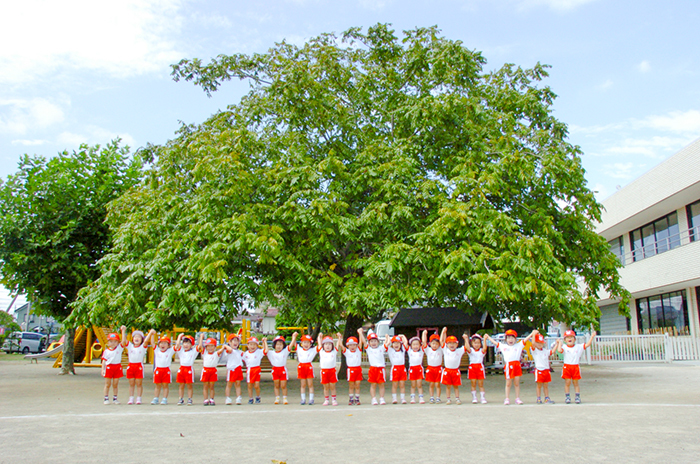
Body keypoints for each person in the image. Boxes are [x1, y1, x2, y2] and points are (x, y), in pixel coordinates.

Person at [485, 329, 536, 405]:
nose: (510, 340)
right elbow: (495, 343)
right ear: (506, 339)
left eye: (512, 338)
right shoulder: (503, 346)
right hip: (509, 365)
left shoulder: (518, 345)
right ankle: (507, 398)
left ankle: (517, 398)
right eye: (508, 338)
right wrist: (488, 337)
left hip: (517, 365)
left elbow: (525, 339)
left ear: (515, 339)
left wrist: (532, 334)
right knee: (508, 383)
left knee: (517, 383)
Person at [558, 329, 596, 404]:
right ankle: (567, 396)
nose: (570, 339)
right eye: (567, 337)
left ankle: (577, 396)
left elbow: (587, 345)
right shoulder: (565, 347)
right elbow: (559, 350)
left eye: (571, 337)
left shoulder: (579, 347)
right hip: (567, 366)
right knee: (567, 382)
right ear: (565, 340)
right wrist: (559, 343)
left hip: (575, 366)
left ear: (575, 339)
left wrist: (592, 337)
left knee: (576, 382)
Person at [120, 326, 156, 405]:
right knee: (131, 383)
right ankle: (131, 397)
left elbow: (146, 341)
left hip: (139, 366)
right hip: (131, 366)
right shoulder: (130, 346)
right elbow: (124, 341)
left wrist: (150, 333)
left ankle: (139, 397)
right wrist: (123, 331)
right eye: (135, 337)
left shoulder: (143, 347)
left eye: (139, 337)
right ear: (132, 339)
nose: (137, 338)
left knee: (139, 383)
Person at [263, 332, 298, 405]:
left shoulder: (285, 352)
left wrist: (294, 337)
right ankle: (277, 398)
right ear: (274, 345)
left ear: (283, 345)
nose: (279, 346)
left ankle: (285, 398)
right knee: (276, 385)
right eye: (277, 344)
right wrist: (264, 341)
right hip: (275, 370)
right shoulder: (271, 353)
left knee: (283, 385)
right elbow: (265, 350)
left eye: (280, 344)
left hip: (282, 370)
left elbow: (290, 346)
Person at [358, 328, 387, 405]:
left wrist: (387, 337)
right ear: (369, 342)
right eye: (371, 341)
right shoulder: (369, 349)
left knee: (381, 384)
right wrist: (360, 333)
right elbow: (364, 342)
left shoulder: (381, 348)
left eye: (375, 341)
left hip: (381, 368)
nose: (373, 343)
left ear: (378, 342)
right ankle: (373, 398)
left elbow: (387, 343)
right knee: (373, 384)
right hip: (373, 369)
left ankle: (382, 398)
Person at [531, 331, 560, 404]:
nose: (539, 344)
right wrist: (534, 335)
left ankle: (547, 398)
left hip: (546, 370)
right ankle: (538, 398)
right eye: (538, 343)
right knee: (539, 385)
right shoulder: (535, 351)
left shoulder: (545, 351)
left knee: (546, 385)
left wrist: (557, 344)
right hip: (539, 369)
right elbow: (533, 344)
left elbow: (552, 351)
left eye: (541, 343)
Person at [441, 332, 468, 405]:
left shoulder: (459, 351)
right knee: (448, 386)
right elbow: (441, 341)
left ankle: (457, 398)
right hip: (447, 370)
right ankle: (448, 398)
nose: (452, 345)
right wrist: (443, 332)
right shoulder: (446, 350)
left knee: (456, 386)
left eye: (454, 343)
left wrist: (466, 339)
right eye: (450, 343)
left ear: (457, 344)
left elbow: (466, 347)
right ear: (447, 344)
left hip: (455, 370)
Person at [199, 335, 225, 406]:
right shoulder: (204, 353)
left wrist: (224, 346)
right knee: (205, 386)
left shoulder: (216, 354)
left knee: (212, 386)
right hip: (205, 370)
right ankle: (205, 399)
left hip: (213, 370)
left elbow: (221, 350)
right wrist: (201, 337)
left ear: (215, 347)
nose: (210, 348)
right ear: (206, 347)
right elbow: (200, 346)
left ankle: (212, 399)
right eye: (208, 346)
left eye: (212, 346)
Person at [292, 333, 317, 405]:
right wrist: (294, 336)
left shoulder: (312, 350)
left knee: (310, 384)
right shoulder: (299, 349)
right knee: (303, 384)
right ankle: (303, 399)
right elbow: (293, 343)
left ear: (310, 344)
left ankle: (311, 398)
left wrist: (320, 338)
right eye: (304, 342)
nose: (306, 344)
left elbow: (320, 347)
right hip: (301, 367)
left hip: (308, 366)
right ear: (301, 343)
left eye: (308, 342)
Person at [422, 328, 446, 403]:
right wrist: (424, 334)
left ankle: (438, 397)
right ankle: (431, 397)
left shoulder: (441, 350)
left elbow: (443, 341)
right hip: (430, 368)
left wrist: (444, 332)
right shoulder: (428, 350)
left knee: (437, 384)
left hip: (438, 368)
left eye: (436, 343)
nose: (435, 345)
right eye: (433, 343)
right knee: (431, 384)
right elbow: (424, 342)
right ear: (430, 343)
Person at [317, 332, 342, 406]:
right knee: (326, 387)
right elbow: (319, 343)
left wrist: (339, 337)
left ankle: (334, 399)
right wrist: (319, 337)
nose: (327, 346)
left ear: (332, 345)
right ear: (323, 345)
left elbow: (338, 344)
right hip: (324, 371)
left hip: (332, 371)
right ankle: (326, 399)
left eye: (329, 344)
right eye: (326, 344)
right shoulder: (321, 351)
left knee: (332, 386)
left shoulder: (334, 352)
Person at [173, 334, 198, 406]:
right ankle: (181, 398)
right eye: (184, 343)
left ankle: (190, 398)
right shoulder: (181, 351)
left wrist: (201, 337)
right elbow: (177, 345)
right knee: (181, 385)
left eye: (188, 343)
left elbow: (199, 346)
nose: (186, 345)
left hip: (189, 369)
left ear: (191, 344)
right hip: (182, 369)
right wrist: (179, 337)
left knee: (189, 385)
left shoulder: (193, 352)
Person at [339, 334, 363, 405]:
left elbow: (361, 342)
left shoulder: (358, 351)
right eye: (350, 345)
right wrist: (339, 337)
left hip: (358, 369)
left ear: (356, 345)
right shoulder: (347, 352)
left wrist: (360, 333)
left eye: (354, 345)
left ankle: (357, 399)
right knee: (351, 385)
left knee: (358, 384)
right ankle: (351, 398)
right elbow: (341, 345)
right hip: (351, 370)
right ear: (348, 346)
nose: (352, 347)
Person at [151, 335, 175, 405]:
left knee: (165, 385)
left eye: (165, 343)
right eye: (161, 343)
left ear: (168, 345)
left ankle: (164, 398)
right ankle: (156, 398)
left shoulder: (170, 351)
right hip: (158, 369)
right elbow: (152, 343)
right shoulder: (157, 350)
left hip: (166, 370)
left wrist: (179, 337)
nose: (163, 345)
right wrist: (152, 334)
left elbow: (176, 346)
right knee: (157, 385)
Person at [101, 332, 124, 405]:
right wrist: (102, 369)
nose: (113, 343)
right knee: (107, 383)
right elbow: (104, 361)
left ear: (117, 342)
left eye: (115, 341)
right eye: (111, 341)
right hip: (109, 367)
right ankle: (106, 398)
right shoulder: (106, 351)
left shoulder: (119, 349)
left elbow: (123, 341)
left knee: (115, 383)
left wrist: (123, 331)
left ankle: (115, 398)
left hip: (117, 367)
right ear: (108, 342)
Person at [241, 336, 264, 404]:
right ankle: (250, 398)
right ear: (248, 345)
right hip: (250, 370)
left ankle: (258, 396)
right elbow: (241, 359)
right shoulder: (246, 354)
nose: (252, 346)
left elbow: (265, 351)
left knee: (256, 385)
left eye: (254, 344)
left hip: (257, 369)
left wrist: (264, 342)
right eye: (251, 344)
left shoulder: (259, 352)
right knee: (249, 385)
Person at [466, 334, 488, 404]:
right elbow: (467, 348)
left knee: (481, 384)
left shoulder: (481, 351)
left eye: (478, 343)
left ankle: (482, 397)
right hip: (472, 367)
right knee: (473, 383)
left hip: (480, 367)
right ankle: (474, 397)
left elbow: (485, 349)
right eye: (475, 343)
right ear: (472, 343)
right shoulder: (471, 350)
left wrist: (484, 339)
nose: (477, 345)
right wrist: (466, 339)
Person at [222, 332, 244, 405]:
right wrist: (225, 345)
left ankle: (238, 398)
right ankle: (228, 398)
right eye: (233, 340)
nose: (235, 342)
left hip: (238, 369)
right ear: (230, 342)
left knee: (238, 384)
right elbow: (229, 349)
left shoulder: (239, 352)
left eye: (237, 341)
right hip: (231, 369)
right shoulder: (228, 351)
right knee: (229, 384)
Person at [387, 335, 409, 404]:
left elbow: (406, 342)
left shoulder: (403, 350)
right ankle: (394, 398)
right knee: (395, 385)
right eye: (394, 343)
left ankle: (402, 398)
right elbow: (386, 345)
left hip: (402, 368)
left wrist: (403, 336)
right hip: (395, 369)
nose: (396, 345)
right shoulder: (390, 351)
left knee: (402, 384)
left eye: (398, 343)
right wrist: (388, 338)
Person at [407, 335, 425, 404]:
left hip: (419, 369)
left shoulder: (421, 352)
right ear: (411, 346)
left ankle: (421, 397)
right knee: (413, 385)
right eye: (413, 344)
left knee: (419, 384)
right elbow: (405, 343)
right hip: (412, 369)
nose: (415, 346)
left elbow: (424, 343)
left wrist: (424, 334)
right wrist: (402, 337)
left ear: (420, 345)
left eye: (417, 344)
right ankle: (412, 397)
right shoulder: (410, 351)